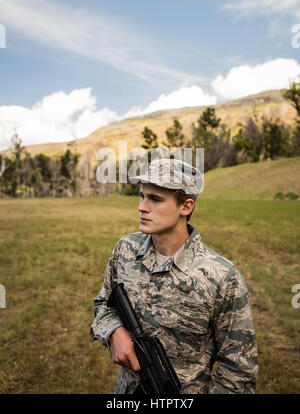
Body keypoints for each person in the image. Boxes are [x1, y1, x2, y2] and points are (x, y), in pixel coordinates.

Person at [90, 158, 258, 394]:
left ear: (186, 207)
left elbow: (239, 371)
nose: (142, 207)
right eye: (142, 196)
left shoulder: (222, 277)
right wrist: (114, 331)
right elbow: (103, 305)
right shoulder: (125, 249)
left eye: (155, 199)